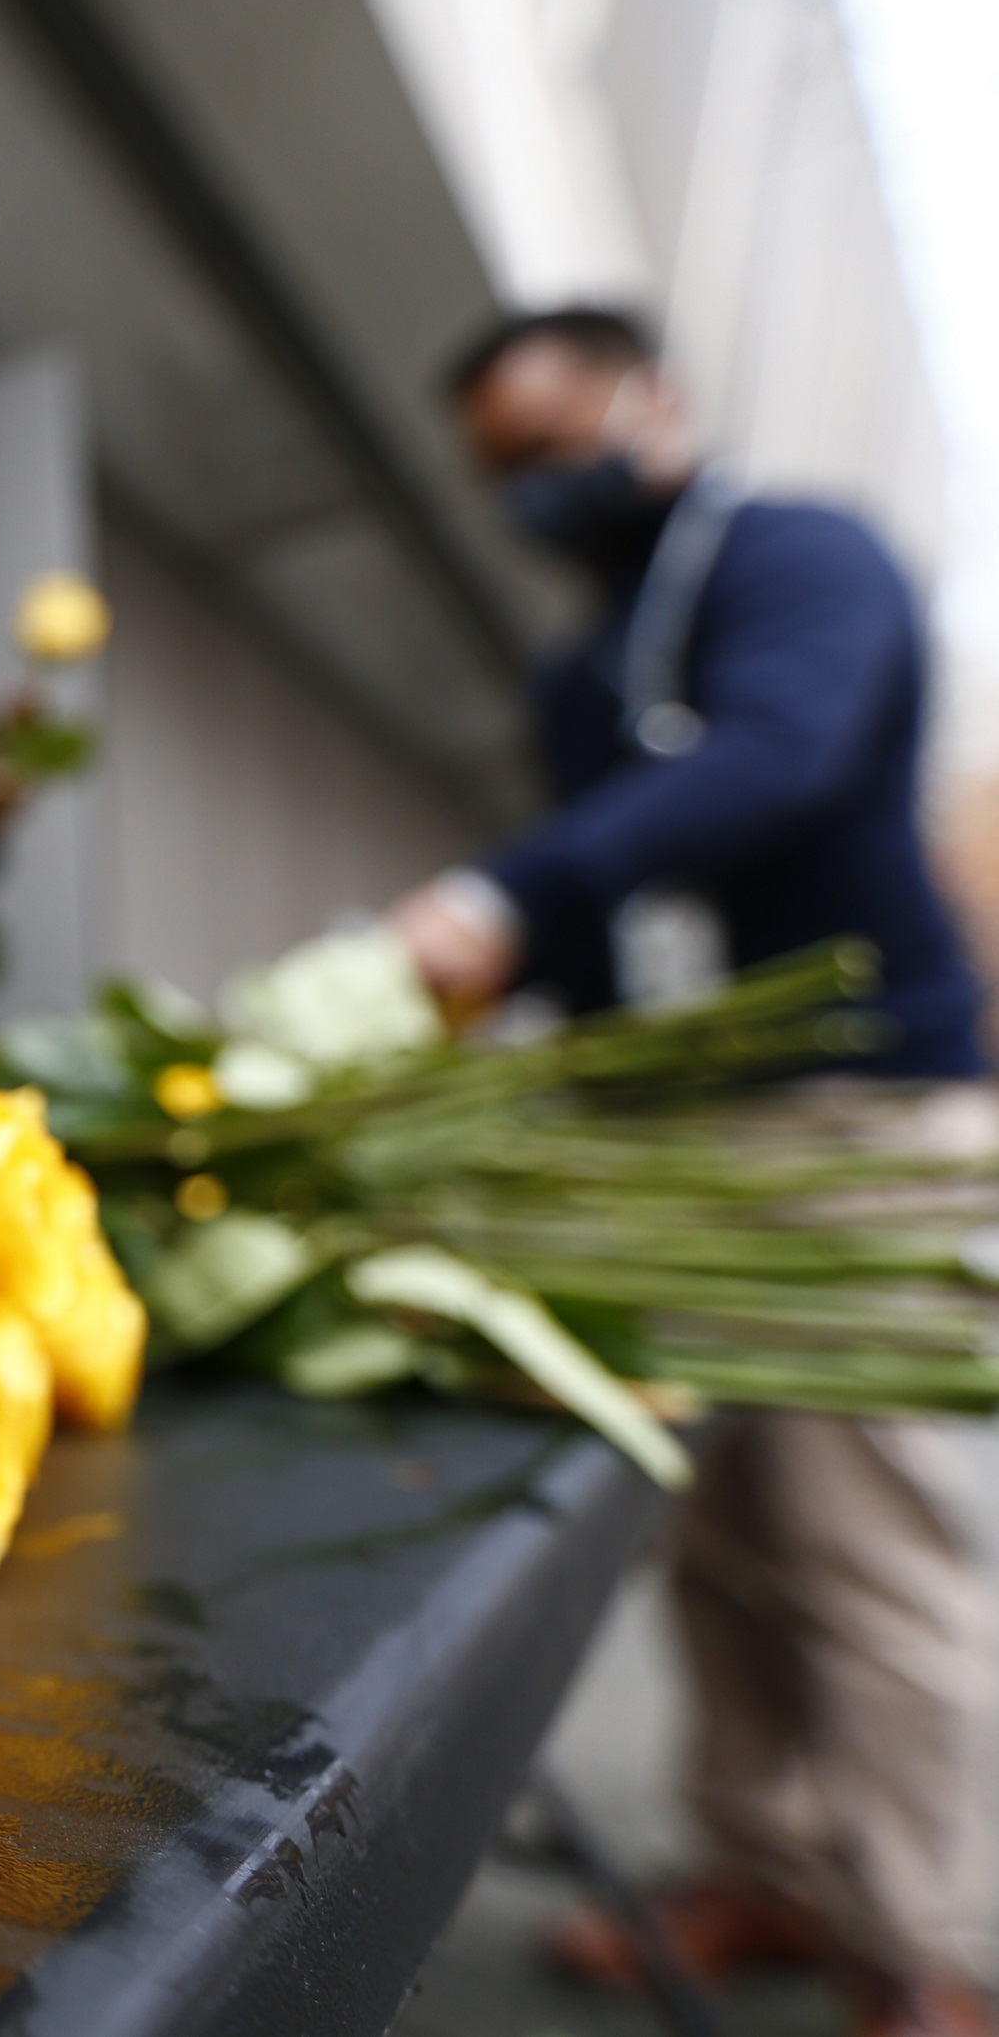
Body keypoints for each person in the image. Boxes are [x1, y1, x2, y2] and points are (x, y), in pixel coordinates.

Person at [389, 306, 995, 2037]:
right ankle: (759, 1859)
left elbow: (779, 759)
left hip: (852, 1110)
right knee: (716, 1534)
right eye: (500, 471)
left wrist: (490, 894)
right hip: (679, 1143)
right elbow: (593, 915)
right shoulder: (577, 679)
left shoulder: (805, 559)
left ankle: (910, 1943)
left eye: (553, 440)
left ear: (653, 401)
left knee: (861, 1529)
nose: (532, 490)